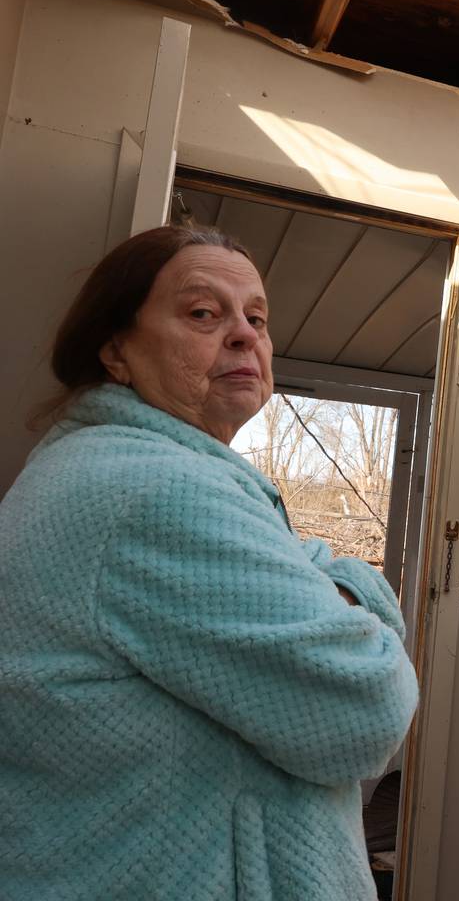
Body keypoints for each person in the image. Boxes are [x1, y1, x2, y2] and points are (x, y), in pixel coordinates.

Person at [0, 226, 420, 900]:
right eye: (203, 313)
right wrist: (354, 589)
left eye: (257, 318)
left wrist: (328, 581)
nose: (244, 334)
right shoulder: (154, 493)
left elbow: (298, 558)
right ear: (115, 350)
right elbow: (367, 708)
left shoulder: (141, 470)